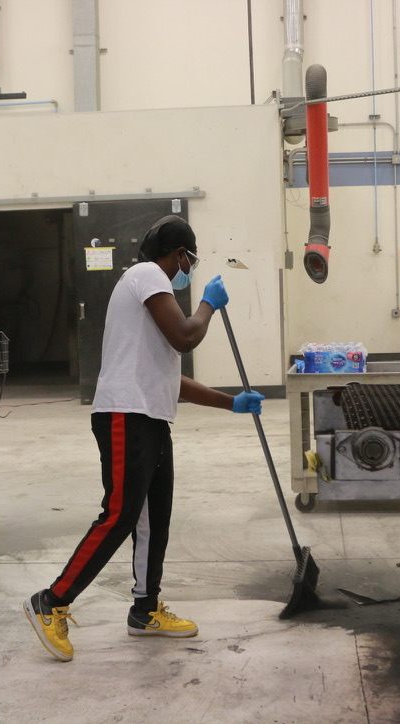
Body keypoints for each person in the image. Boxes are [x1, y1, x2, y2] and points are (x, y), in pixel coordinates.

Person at [23, 215, 265, 662]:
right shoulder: (147, 275)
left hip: (149, 416)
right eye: (189, 261)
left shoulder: (155, 304)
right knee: (119, 516)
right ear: (179, 255)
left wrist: (230, 403)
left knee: (154, 520)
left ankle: (145, 610)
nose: (188, 270)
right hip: (124, 414)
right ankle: (51, 601)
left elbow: (170, 380)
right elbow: (187, 336)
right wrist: (208, 305)